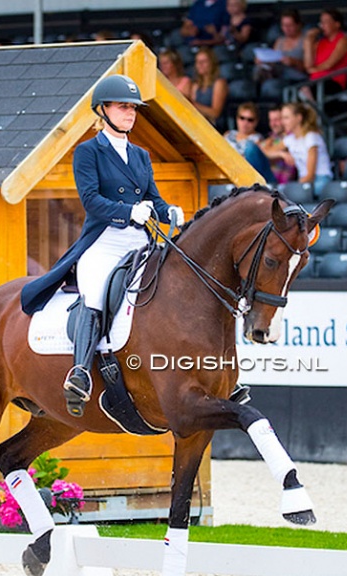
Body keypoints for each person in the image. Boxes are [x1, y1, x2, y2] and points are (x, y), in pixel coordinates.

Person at [21, 75, 185, 417]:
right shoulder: (88, 151)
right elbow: (92, 201)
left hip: (141, 241)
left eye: (133, 108)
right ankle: (80, 371)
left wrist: (167, 210)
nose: (130, 113)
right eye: (123, 107)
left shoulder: (141, 155)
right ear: (103, 110)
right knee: (94, 292)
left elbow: (152, 197)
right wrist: (129, 211)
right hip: (105, 240)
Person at [278, 102, 333, 196]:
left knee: (285, 193)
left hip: (320, 180)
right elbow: (266, 152)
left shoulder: (311, 137)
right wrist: (281, 154)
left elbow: (310, 175)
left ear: (299, 118)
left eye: (286, 118)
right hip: (304, 181)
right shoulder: (290, 139)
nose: (282, 122)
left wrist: (293, 187)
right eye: (282, 118)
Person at [302, 8, 347, 103]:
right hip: (315, 81)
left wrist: (313, 69)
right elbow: (308, 64)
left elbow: (329, 64)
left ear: (337, 24)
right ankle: (315, 114)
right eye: (321, 22)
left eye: (326, 22)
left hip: (334, 81)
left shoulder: (343, 40)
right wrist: (308, 40)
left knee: (307, 90)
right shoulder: (320, 43)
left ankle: (316, 115)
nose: (322, 26)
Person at [224, 102, 276, 183]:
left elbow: (265, 154)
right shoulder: (228, 134)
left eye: (250, 120)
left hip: (248, 174)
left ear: (256, 122)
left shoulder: (258, 139)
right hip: (227, 172)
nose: (245, 123)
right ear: (237, 118)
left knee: (250, 148)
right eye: (242, 118)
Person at [254, 9, 307, 84]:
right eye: (284, 25)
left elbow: (309, 67)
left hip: (295, 77)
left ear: (298, 25)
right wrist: (262, 60)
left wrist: (294, 62)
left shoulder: (306, 41)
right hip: (279, 77)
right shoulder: (279, 41)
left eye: (290, 25)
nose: (287, 29)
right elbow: (274, 61)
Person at [190, 47, 228, 128]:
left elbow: (215, 113)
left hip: (215, 127)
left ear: (212, 63)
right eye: (198, 61)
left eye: (203, 61)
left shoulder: (219, 83)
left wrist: (191, 103)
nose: (200, 64)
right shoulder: (196, 85)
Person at [259, 105, 297, 184]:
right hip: (266, 179)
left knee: (250, 148)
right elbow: (261, 150)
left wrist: (277, 153)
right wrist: (281, 154)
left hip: (280, 182)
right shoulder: (271, 138)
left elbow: (263, 153)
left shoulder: (290, 136)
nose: (273, 124)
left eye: (276, 120)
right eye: (271, 120)